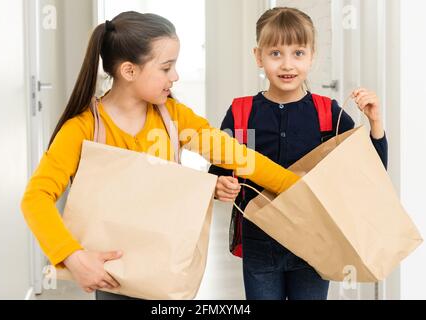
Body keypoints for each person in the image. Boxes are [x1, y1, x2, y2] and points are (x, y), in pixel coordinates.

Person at [20, 11, 300, 300]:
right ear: (129, 71)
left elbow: (238, 156)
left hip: (166, 270)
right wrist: (73, 257)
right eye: (166, 68)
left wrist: (296, 187)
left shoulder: (173, 116)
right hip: (113, 275)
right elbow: (36, 198)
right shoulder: (82, 128)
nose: (175, 76)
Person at [209, 7, 388, 300]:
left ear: (312, 56)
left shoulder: (327, 113)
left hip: (314, 241)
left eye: (298, 53)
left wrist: (376, 124)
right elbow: (219, 172)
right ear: (258, 56)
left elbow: (371, 172)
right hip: (260, 239)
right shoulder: (242, 112)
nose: (287, 64)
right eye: (276, 53)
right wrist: (220, 186)